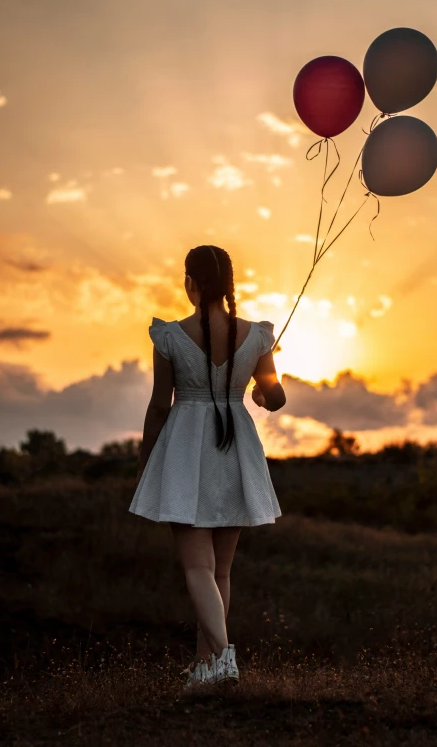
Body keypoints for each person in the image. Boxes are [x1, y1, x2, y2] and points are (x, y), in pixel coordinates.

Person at [129, 245, 286, 689]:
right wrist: (258, 390)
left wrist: (145, 466)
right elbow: (274, 398)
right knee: (220, 571)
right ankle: (205, 669)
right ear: (230, 284)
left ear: (191, 284)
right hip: (235, 444)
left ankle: (222, 656)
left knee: (198, 568)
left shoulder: (171, 337)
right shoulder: (256, 336)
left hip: (184, 449)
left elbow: (161, 406)